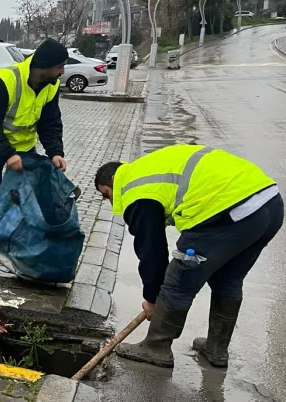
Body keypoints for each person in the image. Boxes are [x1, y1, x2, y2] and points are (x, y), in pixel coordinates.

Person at [94, 144, 283, 368]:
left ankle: (156, 347)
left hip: (226, 208)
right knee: (227, 279)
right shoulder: (148, 169)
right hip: (270, 203)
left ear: (114, 179)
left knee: (179, 278)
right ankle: (216, 349)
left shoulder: (133, 189)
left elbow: (151, 251)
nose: (111, 203)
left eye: (107, 195)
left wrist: (153, 299)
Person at [0, 38, 69, 269]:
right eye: (59, 66)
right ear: (45, 65)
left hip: (24, 148)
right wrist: (7, 154)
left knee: (22, 196)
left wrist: (55, 151)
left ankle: (15, 247)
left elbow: (50, 122)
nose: (62, 71)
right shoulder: (4, 80)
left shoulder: (51, 85)